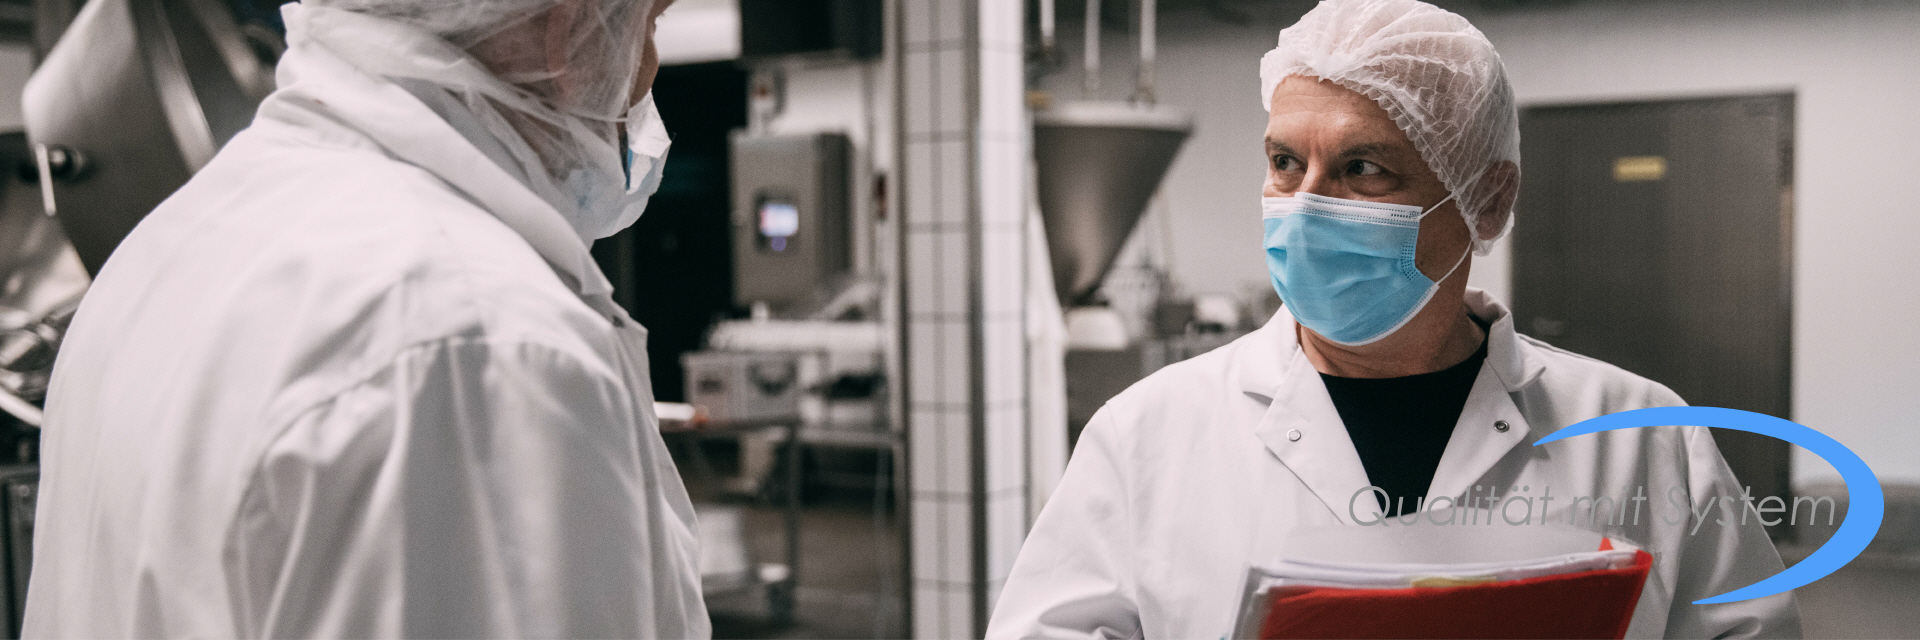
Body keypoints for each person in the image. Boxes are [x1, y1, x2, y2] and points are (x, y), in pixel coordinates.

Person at [987, 0, 1801, 638]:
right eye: (1284, 162)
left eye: (1363, 167)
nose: (1305, 206)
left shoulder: (1642, 436)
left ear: (1487, 199)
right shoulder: (1146, 435)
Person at [23, 0, 707, 637]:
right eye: (645, 28)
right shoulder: (477, 342)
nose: (644, 70)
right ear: (571, 31)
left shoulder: (163, 251)